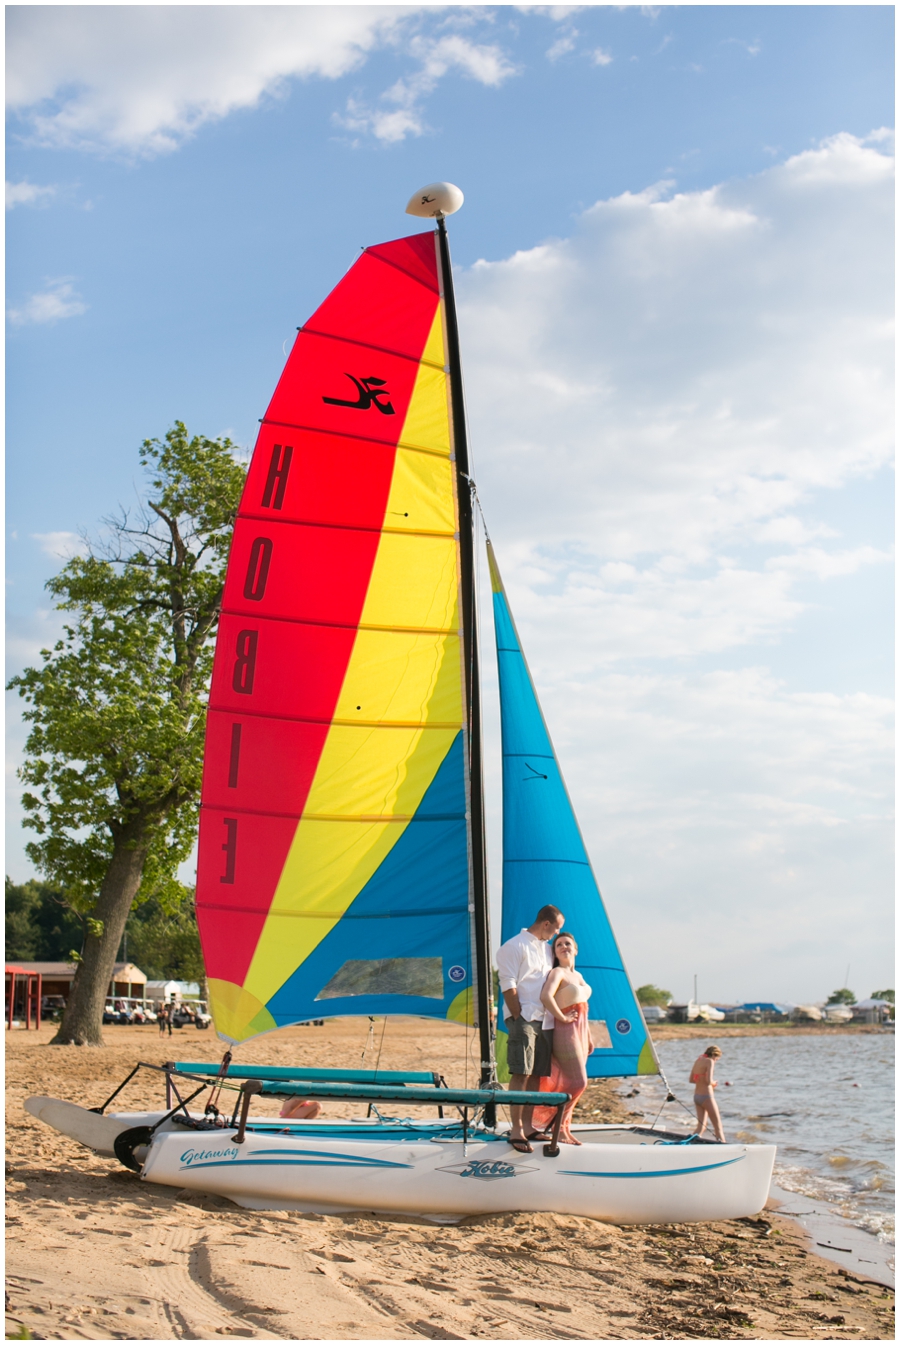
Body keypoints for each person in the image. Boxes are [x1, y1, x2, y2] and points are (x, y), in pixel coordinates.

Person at [496, 904, 565, 1153]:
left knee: (536, 1074)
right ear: (546, 923)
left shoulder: (547, 950)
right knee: (521, 1073)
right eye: (557, 929)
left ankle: (528, 1125)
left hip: (544, 1020)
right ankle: (516, 1130)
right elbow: (508, 984)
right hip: (523, 1018)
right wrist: (518, 1016)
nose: (557, 934)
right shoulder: (513, 946)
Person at [532, 933, 594, 1145]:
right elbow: (545, 996)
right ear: (555, 952)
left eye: (567, 943)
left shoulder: (579, 976)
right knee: (579, 1082)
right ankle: (556, 1126)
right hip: (565, 1033)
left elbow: (584, 1008)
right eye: (559, 944)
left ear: (575, 949)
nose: (563, 946)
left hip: (580, 1034)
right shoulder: (557, 972)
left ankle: (564, 1128)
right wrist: (562, 1017)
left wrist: (589, 1036)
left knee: (570, 1083)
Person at [690, 1045, 725, 1142]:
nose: (716, 1061)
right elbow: (709, 1080)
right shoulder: (710, 1061)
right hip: (706, 1097)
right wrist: (714, 1083)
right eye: (717, 1058)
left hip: (697, 1097)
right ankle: (725, 1149)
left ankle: (688, 1145)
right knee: (718, 1128)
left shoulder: (698, 1060)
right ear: (714, 1055)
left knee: (700, 1127)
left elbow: (691, 1080)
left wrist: (701, 1079)